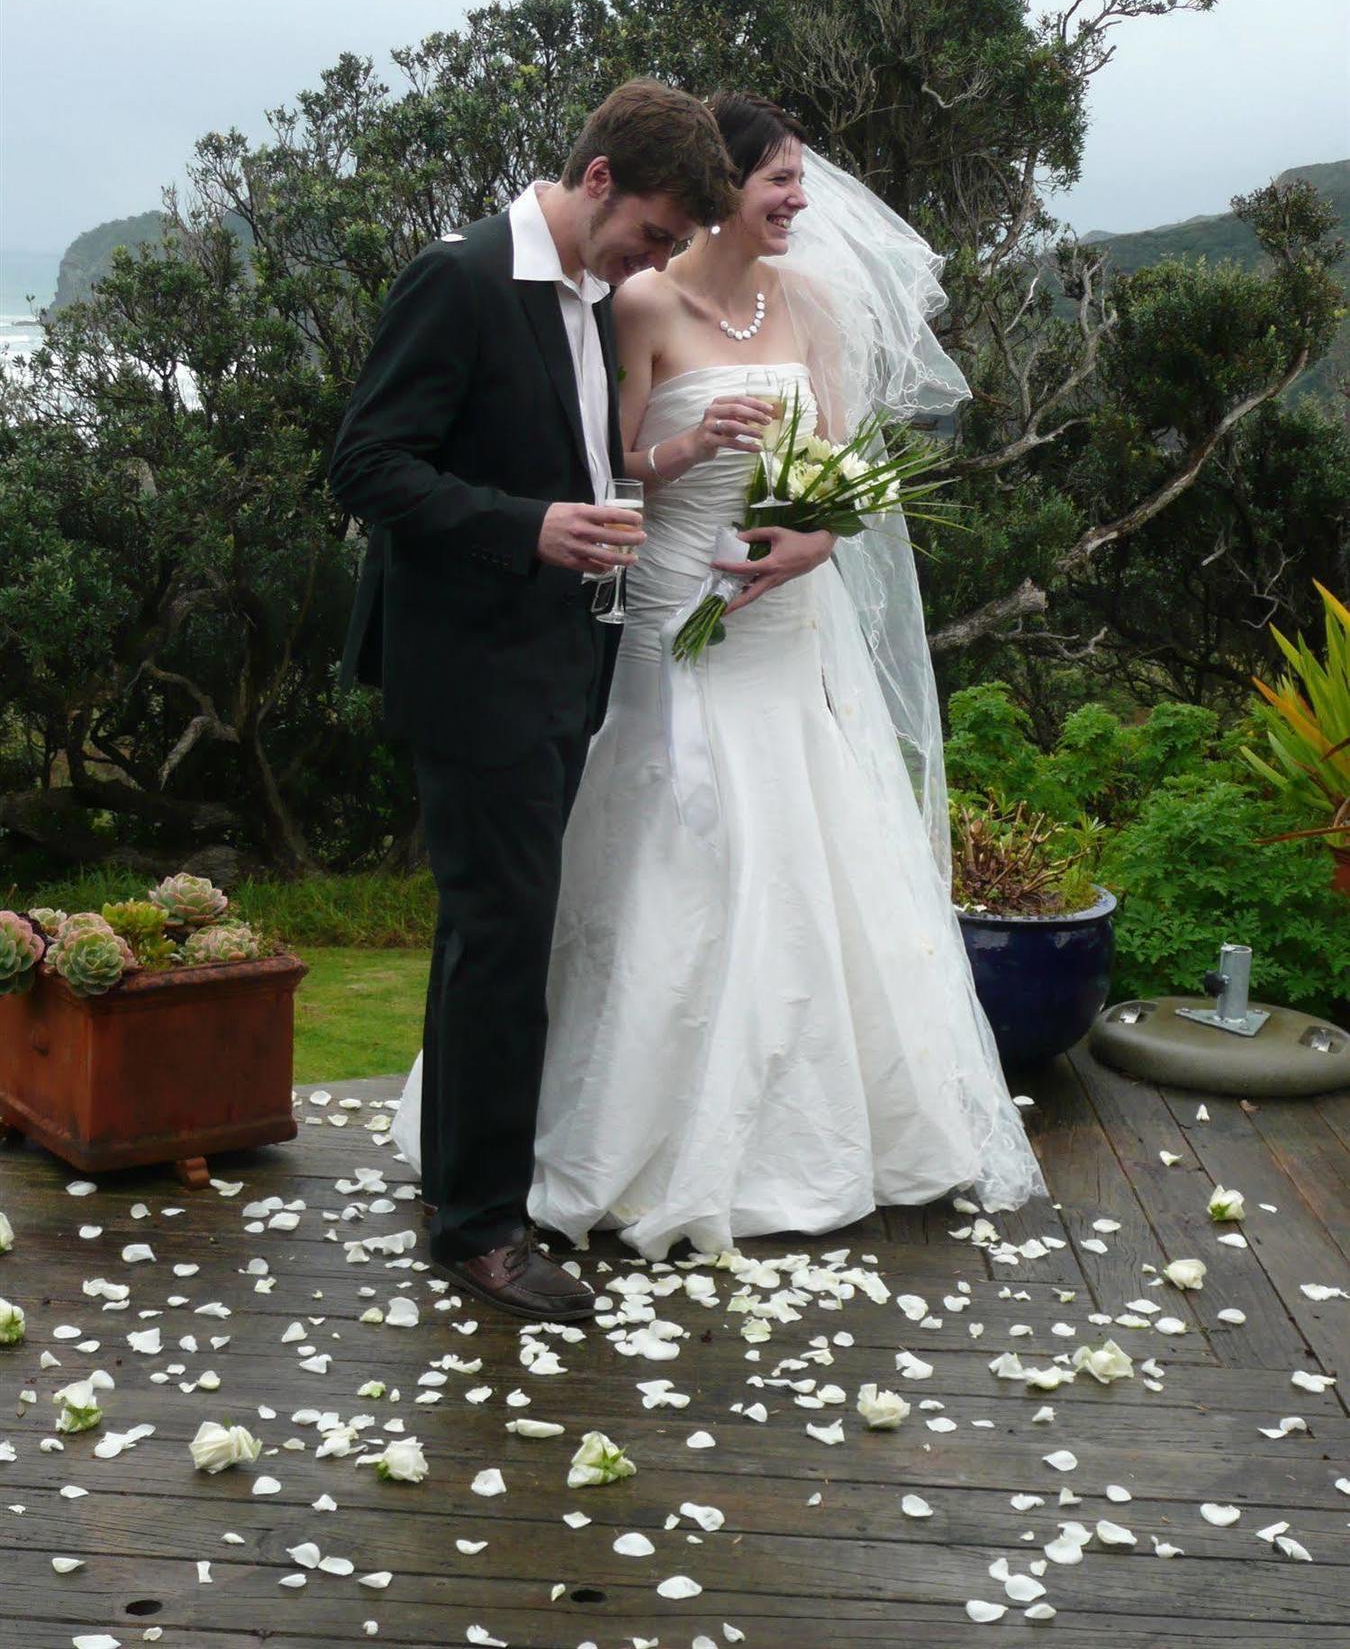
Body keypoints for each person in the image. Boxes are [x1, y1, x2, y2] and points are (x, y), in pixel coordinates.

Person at [394, 92, 1048, 1264]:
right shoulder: (615, 299)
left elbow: (855, 464)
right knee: (621, 872)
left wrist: (823, 532)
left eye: (805, 181)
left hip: (779, 627)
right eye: (778, 181)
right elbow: (596, 464)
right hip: (658, 620)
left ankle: (792, 1137)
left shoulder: (801, 305)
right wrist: (675, 460)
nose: (799, 201)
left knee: (796, 861)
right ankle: (528, 1167)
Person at [330, 79, 738, 1320]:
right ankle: (482, 1232)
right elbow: (367, 466)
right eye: (656, 234)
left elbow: (575, 452)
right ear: (600, 176)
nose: (656, 262)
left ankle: (460, 1193)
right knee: (503, 945)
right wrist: (533, 528)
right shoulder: (457, 279)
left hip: (560, 665)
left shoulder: (590, 302)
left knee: (492, 940)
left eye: (670, 251)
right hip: (473, 673)